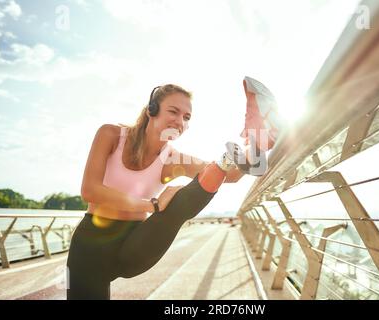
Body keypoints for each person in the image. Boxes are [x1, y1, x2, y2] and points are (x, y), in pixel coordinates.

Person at [66, 81, 277, 300]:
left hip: (135, 243)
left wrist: (258, 146)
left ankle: (259, 137)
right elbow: (90, 190)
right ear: (152, 110)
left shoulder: (172, 158)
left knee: (178, 203)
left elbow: (231, 176)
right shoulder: (111, 135)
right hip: (89, 246)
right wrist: (152, 204)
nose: (180, 122)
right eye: (174, 112)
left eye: (186, 118)